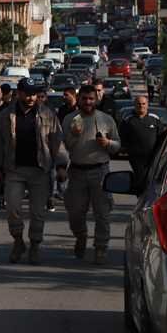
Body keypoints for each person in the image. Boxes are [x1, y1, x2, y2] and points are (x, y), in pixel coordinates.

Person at [0, 77, 67, 264]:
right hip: (14, 169)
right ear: (19, 93)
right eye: (28, 93)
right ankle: (18, 241)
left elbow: (57, 141)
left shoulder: (48, 114)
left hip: (40, 170)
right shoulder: (6, 115)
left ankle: (34, 245)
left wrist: (62, 165)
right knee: (13, 208)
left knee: (38, 212)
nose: (32, 97)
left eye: (35, 94)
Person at [63, 85, 121, 265]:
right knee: (75, 213)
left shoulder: (106, 119)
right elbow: (64, 147)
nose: (88, 102)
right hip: (77, 171)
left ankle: (101, 247)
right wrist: (74, 135)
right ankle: (81, 236)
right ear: (79, 100)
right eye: (84, 99)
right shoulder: (70, 119)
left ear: (96, 100)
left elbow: (117, 145)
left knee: (102, 213)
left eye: (91, 99)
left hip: (100, 171)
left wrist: (107, 143)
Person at [120, 95, 165, 195]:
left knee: (154, 180)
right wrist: (127, 150)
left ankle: (151, 200)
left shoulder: (154, 119)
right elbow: (122, 137)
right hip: (136, 158)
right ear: (135, 105)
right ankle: (142, 198)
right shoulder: (128, 120)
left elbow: (162, 137)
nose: (141, 106)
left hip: (154, 157)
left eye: (143, 104)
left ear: (147, 105)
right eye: (139, 104)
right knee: (141, 180)